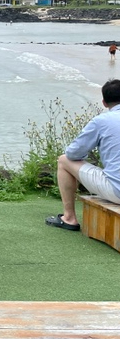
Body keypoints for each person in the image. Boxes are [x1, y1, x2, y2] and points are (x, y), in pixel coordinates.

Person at [46, 79, 120, 231]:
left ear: (104, 103)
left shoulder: (101, 121)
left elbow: (73, 153)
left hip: (117, 191)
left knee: (63, 160)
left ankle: (69, 218)